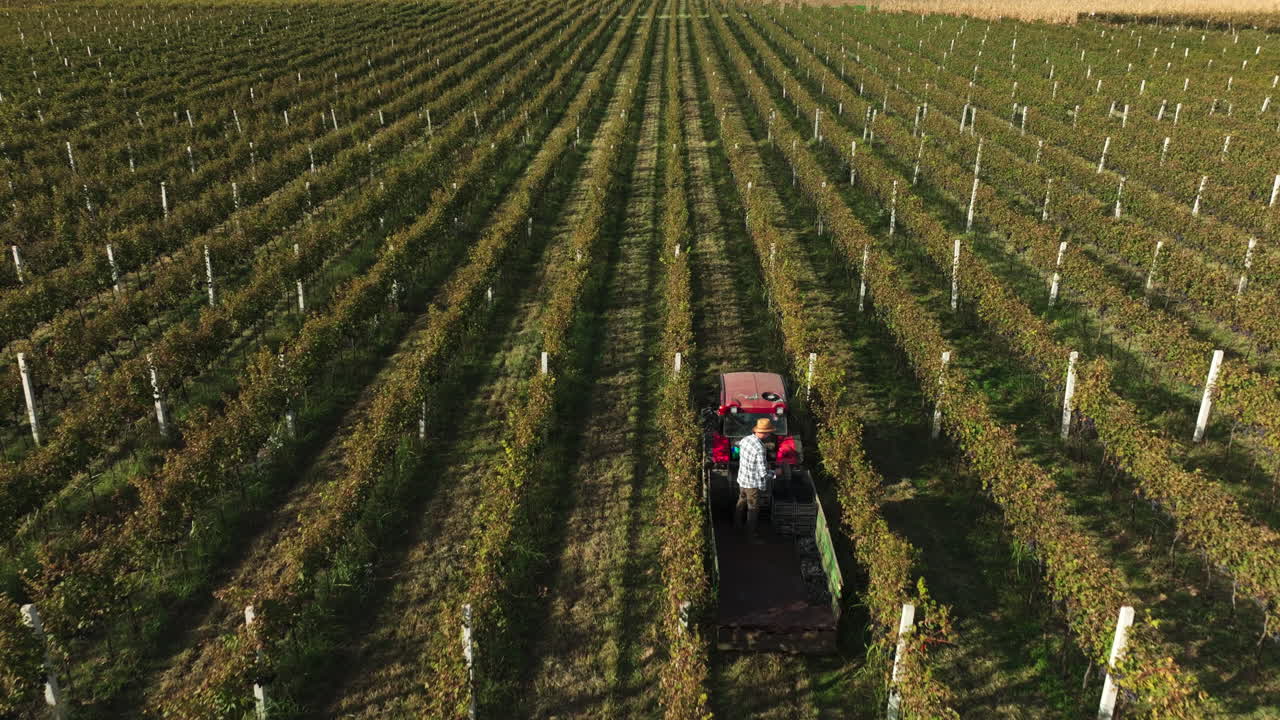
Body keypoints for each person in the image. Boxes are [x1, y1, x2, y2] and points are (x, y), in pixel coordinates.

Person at [735, 417, 775, 540]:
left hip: (742, 480)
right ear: (765, 432)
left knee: (741, 503)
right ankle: (750, 535)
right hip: (752, 485)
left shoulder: (745, 439)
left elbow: (737, 446)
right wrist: (775, 473)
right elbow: (763, 474)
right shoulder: (760, 448)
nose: (770, 434)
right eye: (769, 432)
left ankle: (737, 525)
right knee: (753, 509)